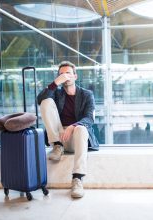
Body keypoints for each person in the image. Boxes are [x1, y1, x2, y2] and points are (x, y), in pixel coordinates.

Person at [37, 61, 99, 198]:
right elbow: (40, 100)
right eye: (61, 74)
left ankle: (77, 179)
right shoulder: (56, 93)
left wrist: (73, 126)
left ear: (75, 76)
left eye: (68, 73)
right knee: (46, 101)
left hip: (77, 138)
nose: (65, 76)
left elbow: (89, 118)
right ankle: (57, 146)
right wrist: (55, 83)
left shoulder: (86, 94)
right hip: (59, 137)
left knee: (82, 129)